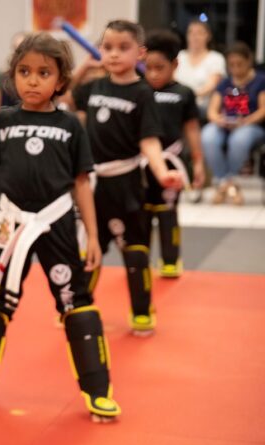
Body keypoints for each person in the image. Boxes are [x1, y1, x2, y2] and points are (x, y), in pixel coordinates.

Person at [0, 33, 120, 422]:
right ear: (13, 77)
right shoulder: (2, 121)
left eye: (44, 72)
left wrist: (91, 235)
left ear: (60, 80)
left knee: (77, 304)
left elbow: (81, 183)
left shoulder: (71, 125)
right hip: (10, 225)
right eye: (24, 71)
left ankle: (98, 389)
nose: (33, 80)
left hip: (57, 222)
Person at [73, 20, 183, 335]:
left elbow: (149, 141)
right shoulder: (95, 86)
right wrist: (85, 67)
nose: (114, 54)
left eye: (123, 48)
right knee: (88, 249)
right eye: (107, 47)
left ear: (140, 53)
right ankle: (78, 306)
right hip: (93, 184)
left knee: (134, 250)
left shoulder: (143, 93)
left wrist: (162, 173)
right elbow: (66, 95)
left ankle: (142, 310)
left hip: (126, 183)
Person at [143, 30, 205, 278]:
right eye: (148, 68)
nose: (153, 74)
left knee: (167, 211)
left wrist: (198, 163)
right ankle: (140, 259)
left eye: (160, 67)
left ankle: (170, 260)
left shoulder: (184, 94)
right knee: (142, 214)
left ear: (175, 64)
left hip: (172, 162)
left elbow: (191, 128)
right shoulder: (140, 91)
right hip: (141, 164)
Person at [202, 42, 265, 206]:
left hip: (251, 125)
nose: (236, 69)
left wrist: (246, 121)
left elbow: (263, 110)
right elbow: (212, 111)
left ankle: (225, 184)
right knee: (208, 136)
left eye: (240, 64)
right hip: (226, 123)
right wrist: (219, 120)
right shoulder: (224, 83)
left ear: (248, 61)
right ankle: (228, 184)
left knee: (239, 140)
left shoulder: (260, 80)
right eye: (232, 65)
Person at [175, 19, 226, 123]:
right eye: (191, 32)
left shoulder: (216, 58)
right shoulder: (180, 56)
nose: (195, 36)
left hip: (202, 106)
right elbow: (171, 80)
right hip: (177, 102)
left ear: (208, 36)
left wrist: (187, 97)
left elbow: (212, 85)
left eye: (199, 33)